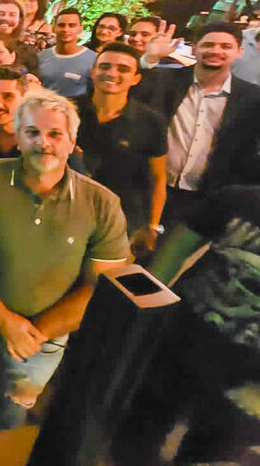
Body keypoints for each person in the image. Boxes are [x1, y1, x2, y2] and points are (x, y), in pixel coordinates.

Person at [0, 90, 129, 430]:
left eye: (55, 134)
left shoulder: (102, 204)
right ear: (18, 138)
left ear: (72, 142)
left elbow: (99, 286)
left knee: (17, 402)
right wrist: (3, 319)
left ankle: (3, 442)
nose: (43, 143)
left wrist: (33, 333)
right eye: (32, 132)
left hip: (45, 336)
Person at [114, 185, 260, 465]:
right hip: (180, 347)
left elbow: (162, 268)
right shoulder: (240, 200)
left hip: (241, 376)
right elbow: (161, 268)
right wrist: (133, 325)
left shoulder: (239, 200)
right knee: (136, 441)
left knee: (209, 451)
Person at [139, 22, 260, 223]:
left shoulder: (252, 98)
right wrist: (149, 58)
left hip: (204, 201)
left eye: (225, 46)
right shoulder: (166, 80)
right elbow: (132, 89)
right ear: (194, 48)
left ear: (239, 52)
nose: (216, 51)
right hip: (147, 188)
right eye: (208, 45)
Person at [75, 43, 167, 254]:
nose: (112, 73)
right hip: (66, 212)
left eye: (123, 69)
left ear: (136, 78)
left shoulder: (152, 122)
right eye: (104, 66)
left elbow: (158, 177)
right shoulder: (65, 110)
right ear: (93, 71)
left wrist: (153, 226)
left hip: (122, 220)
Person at [38, 8, 97, 97]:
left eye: (72, 25)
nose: (66, 29)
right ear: (54, 28)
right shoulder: (41, 57)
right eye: (61, 25)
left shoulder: (93, 60)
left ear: (80, 29)